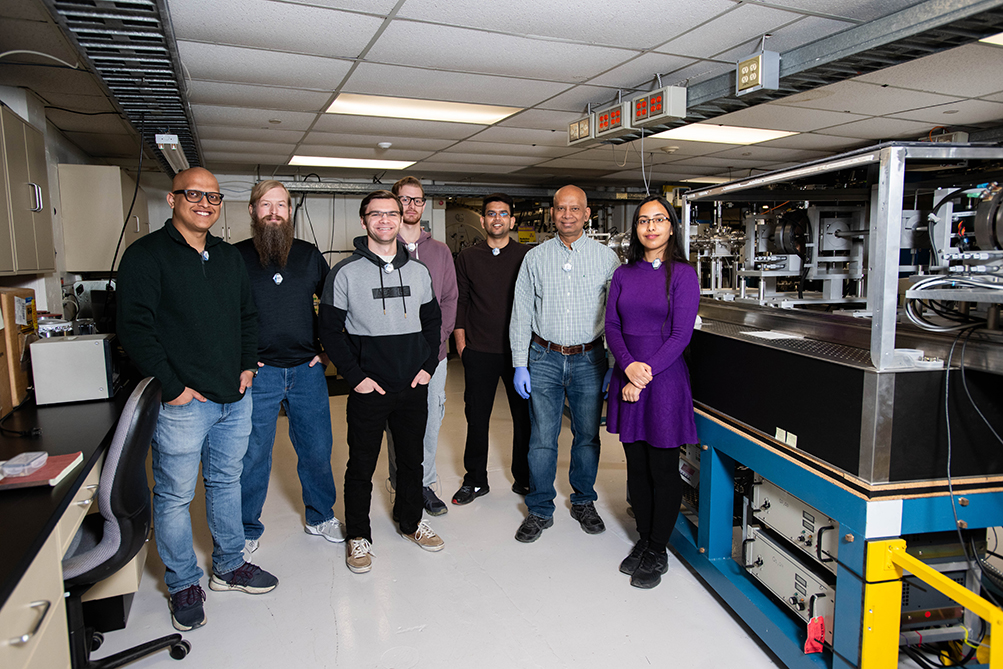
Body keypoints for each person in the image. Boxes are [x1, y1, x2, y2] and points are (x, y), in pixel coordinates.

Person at [117, 167, 277, 632]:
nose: (205, 203)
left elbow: (249, 316)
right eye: (194, 194)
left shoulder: (228, 258)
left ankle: (229, 565)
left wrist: (247, 366)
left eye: (213, 196)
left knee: (226, 482)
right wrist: (173, 387)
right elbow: (135, 329)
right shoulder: (145, 257)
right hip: (183, 403)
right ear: (172, 200)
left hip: (235, 397)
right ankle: (184, 581)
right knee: (173, 496)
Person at [319, 190, 445, 574]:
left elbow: (433, 323)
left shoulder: (419, 271)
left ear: (403, 217)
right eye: (377, 214)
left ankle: (410, 522)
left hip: (412, 387)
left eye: (392, 213)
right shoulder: (344, 273)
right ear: (364, 221)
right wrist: (355, 378)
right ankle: (359, 535)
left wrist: (426, 367)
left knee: (411, 460)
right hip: (369, 389)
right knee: (360, 464)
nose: (386, 220)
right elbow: (330, 330)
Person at [235, 180, 344, 559]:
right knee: (252, 455)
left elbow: (334, 307)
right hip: (258, 374)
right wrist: (242, 358)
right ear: (252, 211)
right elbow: (223, 316)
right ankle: (246, 528)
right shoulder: (234, 258)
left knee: (317, 449)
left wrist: (328, 353)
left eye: (281, 206)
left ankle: (320, 516)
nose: (274, 213)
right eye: (267, 205)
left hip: (306, 371)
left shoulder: (309, 255)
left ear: (290, 213)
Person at [509, 185, 620, 543]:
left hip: (591, 359)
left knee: (587, 436)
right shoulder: (535, 258)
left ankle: (584, 500)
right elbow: (521, 313)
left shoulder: (607, 259)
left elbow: (617, 316)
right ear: (552, 213)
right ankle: (540, 508)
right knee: (542, 438)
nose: (567, 215)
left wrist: (615, 364)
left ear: (587, 214)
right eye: (561, 208)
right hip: (543, 358)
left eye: (575, 209)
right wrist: (519, 363)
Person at [605, 195, 699, 589]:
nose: (650, 227)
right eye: (644, 221)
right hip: (627, 375)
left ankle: (658, 547)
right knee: (637, 468)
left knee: (662, 469)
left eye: (659, 220)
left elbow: (681, 334)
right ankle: (643, 538)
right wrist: (626, 366)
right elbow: (612, 325)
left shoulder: (683, 274)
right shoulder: (624, 274)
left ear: (671, 227)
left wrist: (641, 376)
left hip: (663, 383)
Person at [452, 193, 531, 505]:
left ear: (512, 221)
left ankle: (524, 478)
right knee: (477, 418)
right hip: (479, 351)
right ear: (482, 221)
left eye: (503, 214)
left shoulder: (528, 256)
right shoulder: (468, 258)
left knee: (524, 418)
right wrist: (461, 345)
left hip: (519, 354)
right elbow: (460, 301)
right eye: (490, 214)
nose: (497, 219)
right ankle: (475, 480)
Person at [385, 176, 457, 516]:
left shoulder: (440, 252)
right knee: (396, 423)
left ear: (423, 206)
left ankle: (424, 482)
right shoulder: (382, 247)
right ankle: (402, 484)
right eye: (404, 199)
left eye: (416, 200)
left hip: (433, 356)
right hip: (393, 358)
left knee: (429, 421)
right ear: (395, 204)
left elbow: (449, 300)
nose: (410, 206)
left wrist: (435, 345)